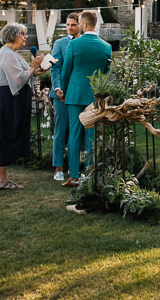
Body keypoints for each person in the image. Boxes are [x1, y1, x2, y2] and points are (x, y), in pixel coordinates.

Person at [0, 23, 46, 190]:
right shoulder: (8, 54)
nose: (25, 37)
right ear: (12, 36)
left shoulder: (9, 53)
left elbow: (22, 73)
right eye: (22, 34)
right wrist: (32, 67)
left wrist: (35, 71)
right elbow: (18, 79)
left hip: (4, 99)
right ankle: (1, 180)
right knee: (5, 134)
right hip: (7, 101)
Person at [57, 10, 112, 187]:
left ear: (85, 24)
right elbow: (106, 74)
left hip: (74, 95)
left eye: (79, 22)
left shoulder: (74, 45)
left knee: (74, 134)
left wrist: (64, 90)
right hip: (94, 97)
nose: (78, 25)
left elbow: (66, 71)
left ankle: (73, 176)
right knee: (91, 135)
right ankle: (89, 174)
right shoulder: (106, 47)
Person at [49, 13, 80, 182]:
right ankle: (58, 167)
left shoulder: (83, 44)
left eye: (73, 25)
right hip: (60, 95)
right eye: (68, 25)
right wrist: (59, 88)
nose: (70, 27)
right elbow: (55, 69)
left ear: (80, 26)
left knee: (76, 132)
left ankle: (73, 167)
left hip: (77, 94)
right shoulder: (59, 44)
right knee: (60, 130)